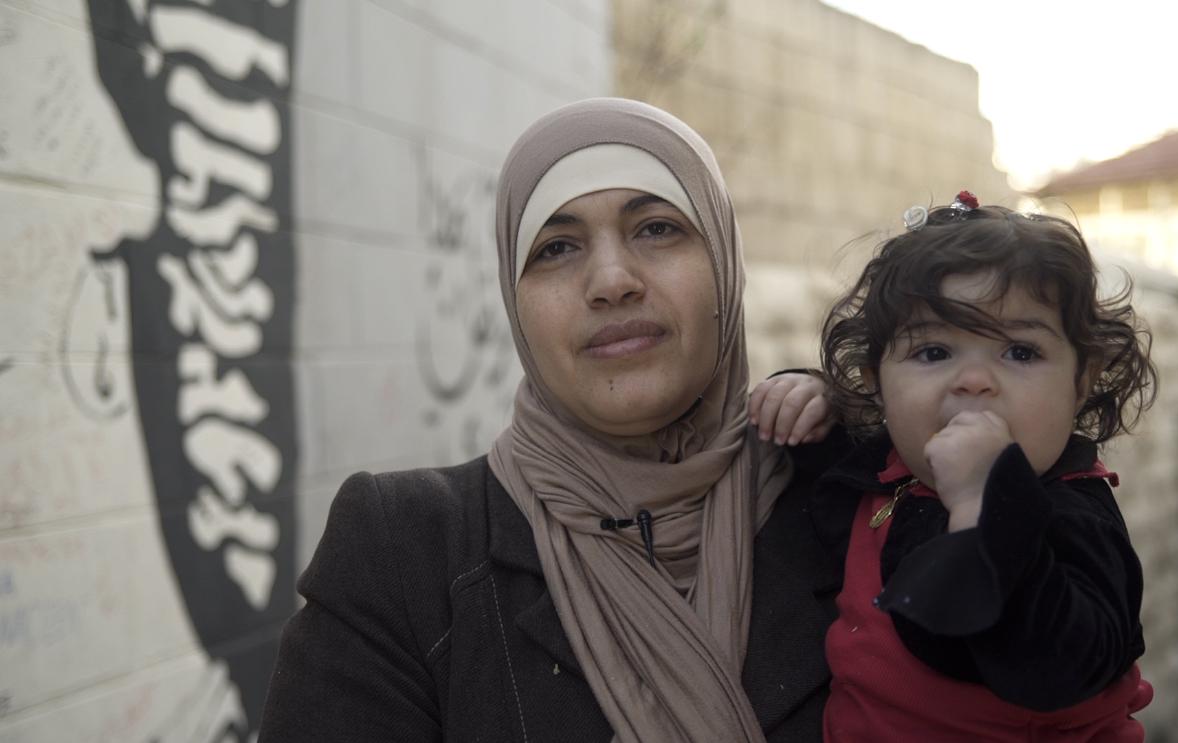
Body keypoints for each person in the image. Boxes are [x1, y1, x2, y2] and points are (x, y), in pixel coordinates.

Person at [258, 98, 846, 742]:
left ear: (724, 266)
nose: (611, 280)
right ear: (516, 303)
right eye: (556, 247)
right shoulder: (404, 556)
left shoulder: (852, 506)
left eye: (656, 228)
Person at [815, 192, 1158, 741]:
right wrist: (806, 399)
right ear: (875, 378)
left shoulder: (1073, 516)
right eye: (933, 352)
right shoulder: (886, 473)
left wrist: (985, 508)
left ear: (1084, 380)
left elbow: (1057, 669)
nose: (974, 380)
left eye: (1020, 352)